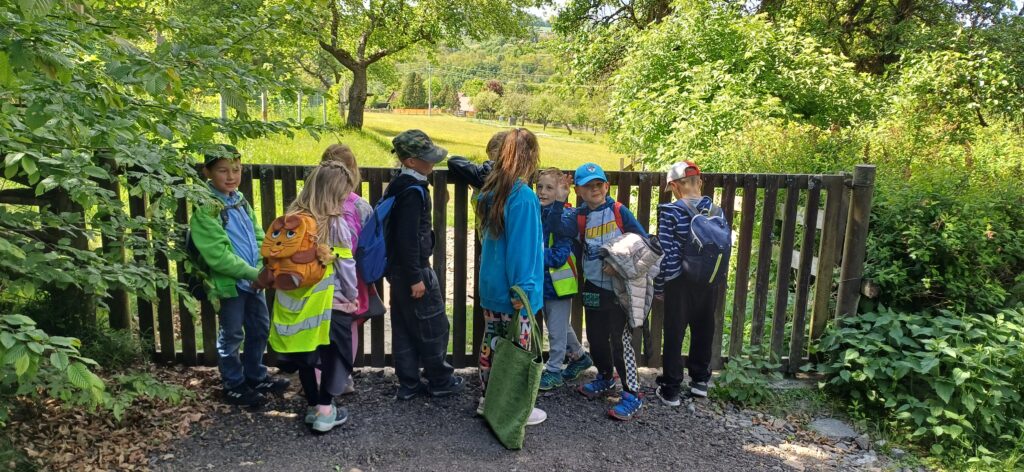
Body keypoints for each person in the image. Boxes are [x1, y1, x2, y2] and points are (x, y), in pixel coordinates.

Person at [264, 155, 361, 433]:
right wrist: (352, 294)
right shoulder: (334, 223)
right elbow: (345, 263)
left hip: (294, 302)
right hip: (330, 301)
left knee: (306, 355)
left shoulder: (290, 221)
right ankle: (325, 410)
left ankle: (311, 406)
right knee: (334, 356)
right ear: (335, 193)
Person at [188, 144, 289, 407]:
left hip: (253, 281)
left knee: (259, 328)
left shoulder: (239, 200)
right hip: (230, 284)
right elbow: (218, 255)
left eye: (236, 169)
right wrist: (254, 273)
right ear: (207, 172)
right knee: (232, 334)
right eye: (223, 170)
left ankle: (255, 375)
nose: (231, 176)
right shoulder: (206, 209)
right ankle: (233, 384)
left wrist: (266, 262)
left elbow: (258, 235)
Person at [384, 130, 464, 400]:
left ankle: (408, 383)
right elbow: (407, 238)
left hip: (399, 272)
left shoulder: (399, 185)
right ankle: (440, 380)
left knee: (404, 328)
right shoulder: (412, 193)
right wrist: (416, 277)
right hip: (414, 271)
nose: (432, 162)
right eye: (426, 157)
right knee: (434, 327)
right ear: (411, 162)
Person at [475, 128, 546, 425]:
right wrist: (523, 290)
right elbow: (522, 249)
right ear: (530, 157)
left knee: (493, 345)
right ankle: (514, 411)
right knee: (516, 350)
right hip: (515, 291)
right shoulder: (523, 197)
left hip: (492, 287)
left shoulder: (490, 192)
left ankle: (488, 401)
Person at [573, 162, 649, 421]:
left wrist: (618, 264)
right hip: (593, 286)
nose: (594, 189)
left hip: (619, 290)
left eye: (599, 184)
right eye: (588, 186)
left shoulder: (619, 211)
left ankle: (632, 393)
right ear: (578, 190)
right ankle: (605, 377)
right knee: (595, 337)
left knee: (620, 341)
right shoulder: (580, 217)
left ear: (606, 186)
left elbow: (642, 242)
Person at [655, 161, 719, 404]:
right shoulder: (715, 210)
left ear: (674, 186)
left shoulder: (670, 212)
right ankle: (700, 381)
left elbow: (666, 253)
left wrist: (661, 285)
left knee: (674, 333)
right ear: (699, 182)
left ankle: (671, 389)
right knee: (703, 330)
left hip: (679, 282)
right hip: (708, 282)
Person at [321, 144, 373, 395]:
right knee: (349, 326)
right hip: (351, 277)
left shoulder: (312, 202)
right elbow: (369, 243)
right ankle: (342, 379)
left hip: (318, 275)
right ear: (354, 171)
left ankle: (319, 378)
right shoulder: (360, 206)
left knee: (319, 328)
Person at [535, 168, 593, 391]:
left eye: (549, 188)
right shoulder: (537, 211)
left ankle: (554, 371)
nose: (542, 191)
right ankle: (580, 357)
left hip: (559, 285)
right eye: (540, 186)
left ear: (561, 191)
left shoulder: (567, 216)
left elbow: (559, 256)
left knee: (556, 331)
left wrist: (532, 256)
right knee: (559, 325)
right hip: (544, 283)